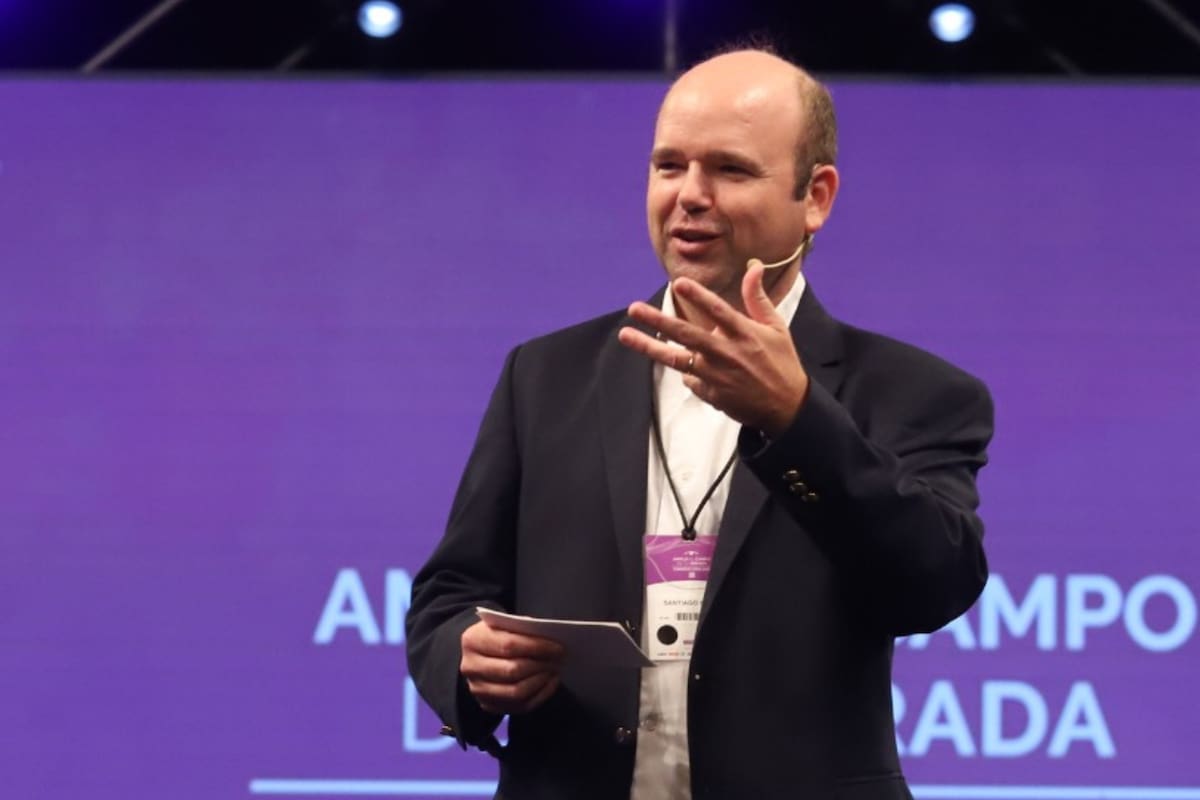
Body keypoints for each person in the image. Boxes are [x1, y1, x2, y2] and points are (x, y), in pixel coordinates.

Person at [406, 47, 993, 800]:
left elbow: (931, 587)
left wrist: (796, 418)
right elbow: (452, 591)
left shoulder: (915, 392)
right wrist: (467, 657)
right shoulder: (545, 375)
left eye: (730, 170)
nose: (689, 195)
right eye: (668, 166)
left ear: (815, 197)